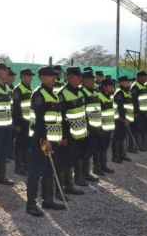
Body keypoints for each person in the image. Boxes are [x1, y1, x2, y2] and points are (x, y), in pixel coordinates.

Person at [25, 66, 65, 216]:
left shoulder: (52, 94)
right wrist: (44, 141)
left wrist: (58, 138)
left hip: (52, 140)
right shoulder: (39, 94)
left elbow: (55, 120)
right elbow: (40, 122)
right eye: (49, 76)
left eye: (54, 76)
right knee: (36, 172)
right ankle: (30, 205)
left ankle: (48, 200)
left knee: (49, 171)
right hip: (41, 140)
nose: (53, 78)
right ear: (41, 77)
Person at [56, 67, 85, 196]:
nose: (81, 78)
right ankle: (59, 189)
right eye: (79, 76)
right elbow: (60, 118)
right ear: (71, 77)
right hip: (68, 136)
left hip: (78, 134)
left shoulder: (79, 92)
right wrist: (63, 136)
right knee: (63, 162)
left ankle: (69, 185)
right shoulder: (62, 94)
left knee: (71, 161)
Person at [79, 70, 101, 185]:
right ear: (84, 80)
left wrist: (99, 125)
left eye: (93, 79)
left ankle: (86, 172)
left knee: (90, 150)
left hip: (94, 126)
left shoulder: (93, 92)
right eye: (91, 79)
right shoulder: (82, 92)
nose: (93, 81)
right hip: (86, 127)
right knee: (83, 152)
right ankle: (82, 174)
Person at [12, 68, 34, 176]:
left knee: (27, 144)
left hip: (28, 122)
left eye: (31, 76)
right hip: (21, 122)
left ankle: (26, 165)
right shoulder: (18, 89)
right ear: (23, 77)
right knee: (20, 145)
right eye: (29, 76)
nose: (31, 78)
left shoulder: (30, 89)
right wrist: (16, 124)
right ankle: (18, 167)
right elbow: (15, 108)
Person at [93, 79, 115, 175]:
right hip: (101, 129)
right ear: (104, 87)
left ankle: (104, 165)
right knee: (98, 148)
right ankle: (97, 167)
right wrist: (99, 127)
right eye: (110, 86)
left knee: (105, 147)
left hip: (108, 127)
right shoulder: (99, 97)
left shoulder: (110, 97)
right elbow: (97, 114)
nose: (112, 87)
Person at [112, 76, 134, 163]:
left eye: (128, 81)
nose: (128, 83)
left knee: (122, 137)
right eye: (125, 81)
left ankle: (122, 154)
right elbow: (119, 107)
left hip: (126, 119)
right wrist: (124, 118)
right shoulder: (119, 92)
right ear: (121, 83)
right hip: (120, 119)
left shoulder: (127, 91)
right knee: (117, 138)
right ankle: (115, 156)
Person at [131, 71, 147, 151]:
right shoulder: (135, 87)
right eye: (144, 77)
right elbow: (134, 101)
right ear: (139, 77)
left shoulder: (143, 86)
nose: (146, 78)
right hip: (138, 112)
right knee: (137, 129)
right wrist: (135, 112)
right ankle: (136, 144)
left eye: (146, 77)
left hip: (144, 111)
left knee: (143, 128)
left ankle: (142, 143)